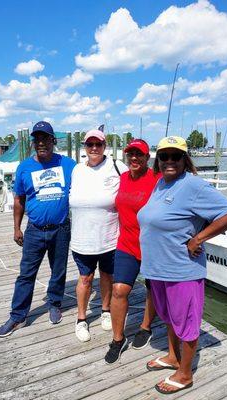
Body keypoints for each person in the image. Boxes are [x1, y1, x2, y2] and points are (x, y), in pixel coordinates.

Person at [137, 136, 227, 394]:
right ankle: (173, 357)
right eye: (164, 156)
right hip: (158, 269)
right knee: (171, 318)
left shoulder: (193, 185)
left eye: (176, 156)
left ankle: (185, 373)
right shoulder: (161, 183)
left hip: (182, 270)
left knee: (186, 321)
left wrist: (199, 238)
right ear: (158, 160)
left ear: (185, 160)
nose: (169, 161)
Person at [0, 121, 76, 337]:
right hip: (34, 229)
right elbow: (19, 199)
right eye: (37, 139)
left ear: (53, 141)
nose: (41, 143)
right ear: (33, 142)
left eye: (45, 138)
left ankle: (55, 302)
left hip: (61, 229)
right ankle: (18, 315)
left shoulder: (69, 164)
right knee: (26, 274)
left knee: (58, 270)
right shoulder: (24, 167)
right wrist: (16, 228)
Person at [104, 139, 159, 364]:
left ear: (147, 158)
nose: (134, 158)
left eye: (139, 154)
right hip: (126, 244)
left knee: (152, 288)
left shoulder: (157, 179)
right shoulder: (123, 178)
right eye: (131, 154)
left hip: (153, 246)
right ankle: (118, 340)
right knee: (119, 290)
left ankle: (145, 327)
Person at [70, 129, 128, 342]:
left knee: (106, 275)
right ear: (84, 147)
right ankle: (81, 319)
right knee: (85, 278)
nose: (94, 148)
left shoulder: (117, 166)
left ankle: (105, 310)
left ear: (105, 147)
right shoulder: (77, 170)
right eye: (90, 144)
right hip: (81, 238)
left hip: (109, 237)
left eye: (99, 144)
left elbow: (136, 183)